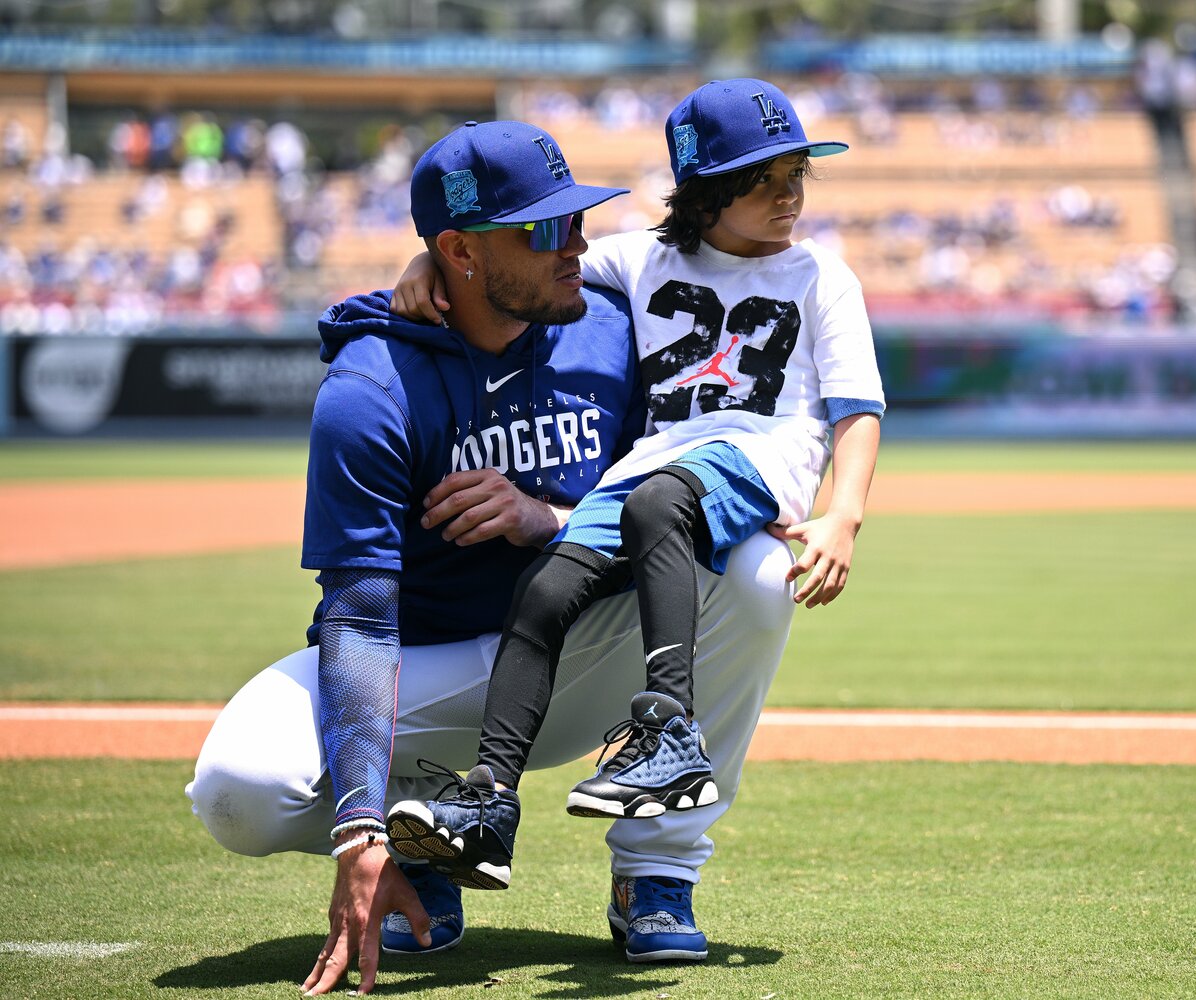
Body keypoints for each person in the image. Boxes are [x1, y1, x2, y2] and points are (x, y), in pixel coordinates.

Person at [185, 119, 798, 996]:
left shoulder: (615, 327)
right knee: (237, 790)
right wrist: (357, 828)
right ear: (460, 253)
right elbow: (358, 620)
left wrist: (551, 521)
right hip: (425, 675)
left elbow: (681, 499)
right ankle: (416, 832)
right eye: (546, 229)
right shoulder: (371, 387)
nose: (576, 246)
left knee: (756, 572)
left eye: (579, 219)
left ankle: (656, 869)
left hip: (582, 660)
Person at [383, 80, 883, 898]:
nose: (788, 193)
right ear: (704, 190)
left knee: (661, 505)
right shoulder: (640, 257)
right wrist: (428, 260)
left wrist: (844, 515)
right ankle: (489, 803)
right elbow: (511, 262)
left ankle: (670, 734)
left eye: (796, 173)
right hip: (656, 461)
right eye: (762, 178)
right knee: (544, 594)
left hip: (764, 456)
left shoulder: (823, 276)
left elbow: (857, 408)